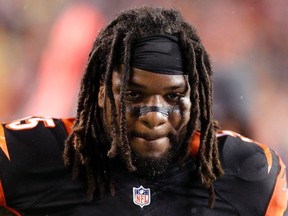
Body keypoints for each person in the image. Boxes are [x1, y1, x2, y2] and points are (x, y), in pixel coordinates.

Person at [0, 6, 287, 216]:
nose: (153, 115)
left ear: (194, 100)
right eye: (133, 94)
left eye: (173, 96)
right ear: (101, 93)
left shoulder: (248, 175)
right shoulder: (37, 153)